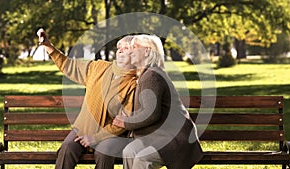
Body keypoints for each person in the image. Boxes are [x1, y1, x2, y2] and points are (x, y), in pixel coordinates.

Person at [37, 28, 137, 169]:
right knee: (67, 149)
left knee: (104, 154)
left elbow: (123, 121)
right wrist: (48, 46)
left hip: (109, 136)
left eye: (126, 48)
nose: (120, 50)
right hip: (82, 129)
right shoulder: (98, 67)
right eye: (119, 47)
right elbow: (70, 66)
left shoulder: (133, 84)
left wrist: (96, 138)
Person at [112, 34, 203, 169]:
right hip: (157, 136)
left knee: (142, 159)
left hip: (175, 138)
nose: (130, 51)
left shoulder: (152, 76)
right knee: (130, 151)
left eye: (135, 47)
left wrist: (126, 122)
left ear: (147, 51)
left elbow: (151, 113)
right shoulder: (145, 73)